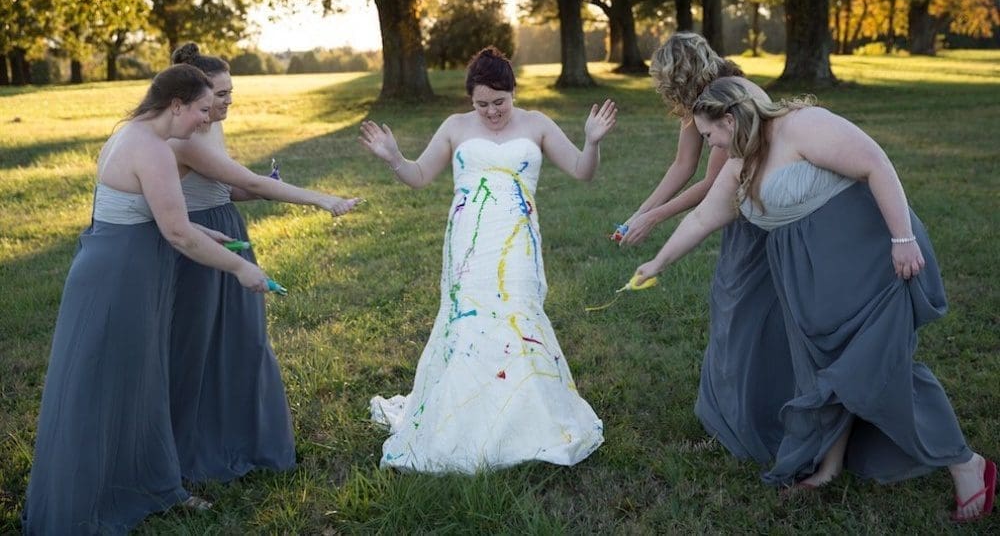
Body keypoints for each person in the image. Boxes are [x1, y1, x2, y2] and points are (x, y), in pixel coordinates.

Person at [632, 78, 994, 523]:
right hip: (810, 282)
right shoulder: (742, 160)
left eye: (710, 135)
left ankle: (966, 463)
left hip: (866, 259)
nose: (710, 145)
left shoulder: (802, 126)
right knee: (826, 369)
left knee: (875, 368)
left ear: (729, 118)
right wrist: (658, 262)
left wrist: (902, 238)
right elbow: (706, 216)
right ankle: (830, 464)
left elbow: (875, 164)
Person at [22, 65, 271, 535]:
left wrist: (204, 229)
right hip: (122, 282)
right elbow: (175, 233)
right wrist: (241, 267)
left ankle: (148, 482)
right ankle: (91, 502)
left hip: (112, 269)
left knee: (134, 385)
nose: (205, 121)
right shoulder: (153, 149)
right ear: (175, 105)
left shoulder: (126, 134)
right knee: (110, 388)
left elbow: (150, 214)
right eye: (201, 110)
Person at [358, 46, 613, 473]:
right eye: (482, 104)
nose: (492, 112)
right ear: (470, 99)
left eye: (500, 102)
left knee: (518, 315)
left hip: (517, 243)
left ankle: (527, 420)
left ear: (513, 93)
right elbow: (420, 177)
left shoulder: (538, 124)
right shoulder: (455, 126)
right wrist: (394, 159)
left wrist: (591, 141)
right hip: (469, 245)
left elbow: (583, 171)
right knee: (470, 322)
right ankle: (465, 420)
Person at [167, 42, 360, 483]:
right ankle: (195, 456)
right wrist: (322, 199)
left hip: (226, 225)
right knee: (197, 349)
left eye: (231, 92)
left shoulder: (211, 125)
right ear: (194, 96)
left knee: (245, 340)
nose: (227, 102)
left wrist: (257, 189)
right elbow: (245, 179)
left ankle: (251, 444)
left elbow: (230, 187)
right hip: (200, 241)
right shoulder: (185, 135)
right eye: (219, 95)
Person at [617, 32, 793, 464]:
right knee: (736, 310)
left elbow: (714, 186)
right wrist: (637, 214)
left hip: (759, 215)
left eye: (665, 82)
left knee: (741, 314)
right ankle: (736, 419)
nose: (665, 92)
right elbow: (682, 166)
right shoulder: (708, 97)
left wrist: (654, 219)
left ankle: (745, 424)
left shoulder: (727, 98)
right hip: (749, 209)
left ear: (679, 76)